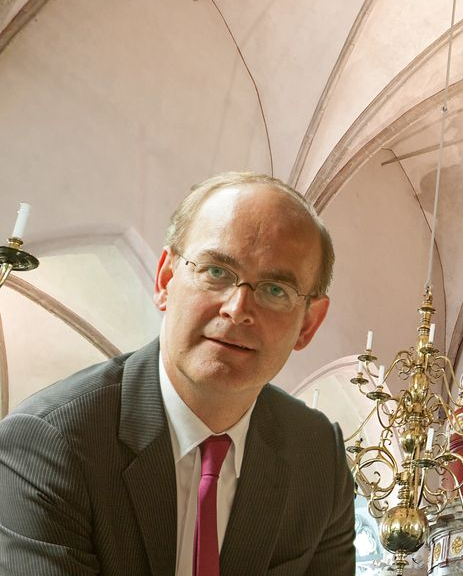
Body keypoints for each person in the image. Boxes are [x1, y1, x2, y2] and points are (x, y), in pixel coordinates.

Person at [0, 172, 355, 575]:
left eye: (276, 289)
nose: (237, 309)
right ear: (166, 279)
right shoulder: (50, 443)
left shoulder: (318, 457)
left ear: (308, 323)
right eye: (216, 271)